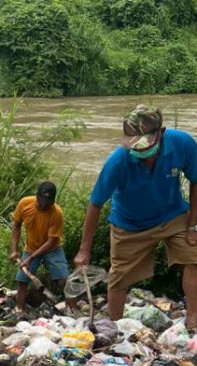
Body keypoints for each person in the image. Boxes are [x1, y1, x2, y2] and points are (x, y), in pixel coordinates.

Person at [74, 104, 197, 329]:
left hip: (172, 215)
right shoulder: (118, 161)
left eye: (144, 147)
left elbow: (196, 180)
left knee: (194, 258)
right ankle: (114, 328)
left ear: (161, 133)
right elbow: (95, 204)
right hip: (129, 224)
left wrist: (192, 226)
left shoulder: (182, 144)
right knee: (118, 278)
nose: (138, 152)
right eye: (134, 147)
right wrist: (84, 249)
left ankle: (193, 319)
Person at [9, 182, 71, 310]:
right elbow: (16, 225)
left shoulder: (56, 213)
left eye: (47, 203)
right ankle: (19, 310)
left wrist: (30, 258)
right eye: (41, 202)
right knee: (22, 280)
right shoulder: (25, 203)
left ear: (52, 201)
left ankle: (73, 309)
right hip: (31, 247)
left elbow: (51, 241)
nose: (43, 206)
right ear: (36, 196)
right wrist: (14, 250)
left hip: (53, 248)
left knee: (64, 280)